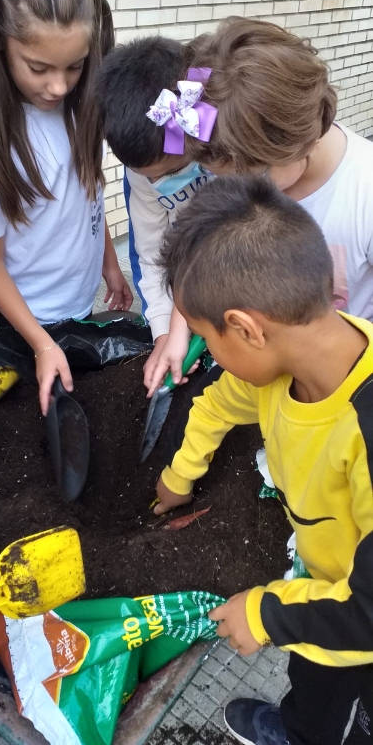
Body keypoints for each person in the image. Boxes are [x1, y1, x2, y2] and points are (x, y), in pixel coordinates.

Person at [155, 174, 373, 745]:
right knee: (316, 677)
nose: (213, 358)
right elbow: (216, 405)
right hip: (325, 579)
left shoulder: (366, 434)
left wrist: (264, 614)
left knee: (350, 699)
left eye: (207, 339)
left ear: (245, 329)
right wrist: (179, 478)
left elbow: (368, 613)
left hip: (357, 609)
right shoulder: (284, 370)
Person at [146, 16, 373, 397]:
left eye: (239, 177)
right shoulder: (246, 162)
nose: (229, 189)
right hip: (263, 367)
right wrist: (179, 329)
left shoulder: (363, 192)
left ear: (290, 146)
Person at [0, 0, 133, 416]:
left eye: (75, 66)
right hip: (25, 323)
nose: (59, 86)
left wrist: (110, 266)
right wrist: (40, 344)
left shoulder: (79, 109)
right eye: (39, 68)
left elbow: (88, 198)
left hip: (77, 302)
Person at [96, 37, 212, 391]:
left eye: (170, 172)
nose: (157, 183)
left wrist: (185, 319)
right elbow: (152, 255)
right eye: (147, 176)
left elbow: (230, 241)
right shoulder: (144, 171)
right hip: (186, 272)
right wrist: (163, 330)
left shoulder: (221, 150)